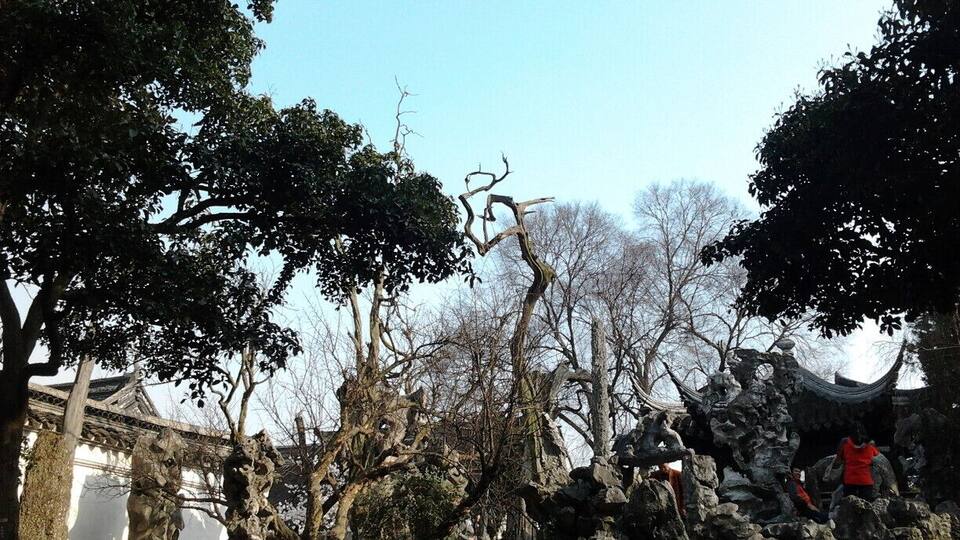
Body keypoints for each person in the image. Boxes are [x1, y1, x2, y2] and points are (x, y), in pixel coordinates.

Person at [827, 423, 880, 500]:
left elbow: (839, 460)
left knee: (850, 507)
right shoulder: (871, 445)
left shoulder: (845, 444)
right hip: (866, 481)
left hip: (850, 480)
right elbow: (877, 459)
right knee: (866, 507)